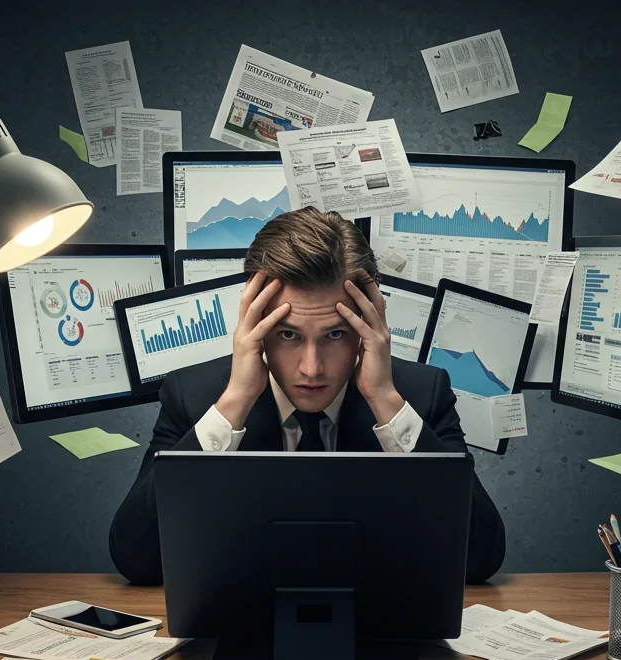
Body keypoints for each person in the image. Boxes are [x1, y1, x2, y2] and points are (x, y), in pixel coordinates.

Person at [110, 206, 505, 586]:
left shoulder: (420, 395)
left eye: (335, 334)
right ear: (256, 324)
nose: (312, 368)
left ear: (370, 323)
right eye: (288, 335)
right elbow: (137, 559)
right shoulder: (195, 398)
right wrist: (236, 403)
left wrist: (385, 399)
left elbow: (480, 560)